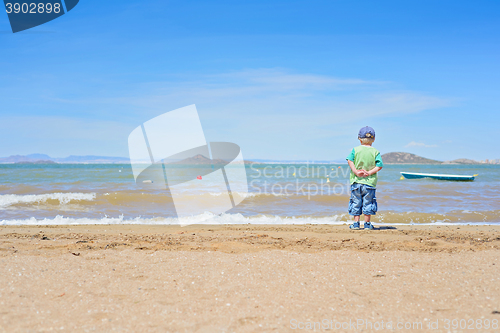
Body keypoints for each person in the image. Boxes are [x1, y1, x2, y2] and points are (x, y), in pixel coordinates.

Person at [346, 126, 383, 230]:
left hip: (356, 181)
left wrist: (356, 171)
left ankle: (356, 224)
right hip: (370, 183)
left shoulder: (355, 150)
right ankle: (367, 224)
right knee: (368, 202)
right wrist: (370, 172)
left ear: (359, 138)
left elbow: (350, 160)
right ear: (374, 139)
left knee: (356, 202)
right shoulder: (375, 151)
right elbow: (379, 166)